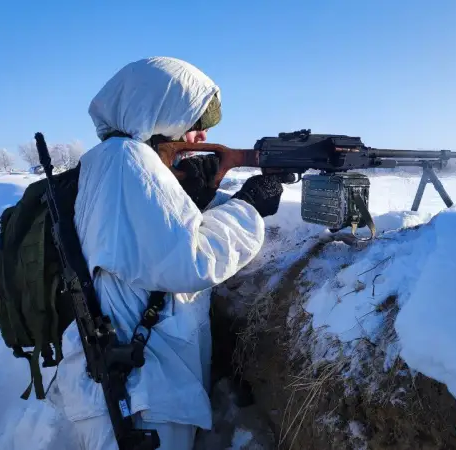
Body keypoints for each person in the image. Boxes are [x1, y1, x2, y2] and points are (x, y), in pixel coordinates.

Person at [51, 56, 283, 449]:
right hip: (138, 395)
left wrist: (195, 196)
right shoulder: (128, 162)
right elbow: (190, 260)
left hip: (138, 382)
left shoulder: (112, 160)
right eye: (194, 122)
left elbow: (148, 243)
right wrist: (248, 208)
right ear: (157, 111)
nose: (200, 135)